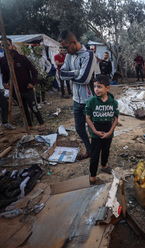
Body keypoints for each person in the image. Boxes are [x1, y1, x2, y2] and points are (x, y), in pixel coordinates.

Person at [58, 30, 95, 160]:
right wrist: (77, 72)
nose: (64, 51)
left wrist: (73, 75)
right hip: (76, 101)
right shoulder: (69, 56)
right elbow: (61, 74)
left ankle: (96, 153)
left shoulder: (88, 55)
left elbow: (84, 79)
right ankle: (90, 150)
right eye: (62, 48)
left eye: (65, 47)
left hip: (89, 101)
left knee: (92, 130)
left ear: (73, 43)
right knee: (79, 129)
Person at [0, 38, 46, 132]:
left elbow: (34, 72)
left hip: (27, 89)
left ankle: (42, 124)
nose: (6, 47)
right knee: (23, 109)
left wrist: (32, 83)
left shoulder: (22, 58)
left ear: (11, 45)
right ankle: (29, 126)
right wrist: (4, 83)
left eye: (7, 45)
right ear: (1, 47)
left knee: (33, 108)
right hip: (15, 90)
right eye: (3, 45)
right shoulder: (3, 60)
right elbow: (4, 74)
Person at [85, 74, 119, 184]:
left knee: (106, 150)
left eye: (99, 86)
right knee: (94, 154)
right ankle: (93, 176)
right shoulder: (92, 102)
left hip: (108, 129)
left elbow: (115, 119)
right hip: (96, 130)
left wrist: (110, 132)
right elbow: (88, 118)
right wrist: (94, 131)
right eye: (94, 86)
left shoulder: (113, 102)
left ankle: (104, 166)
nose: (96, 89)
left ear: (107, 88)